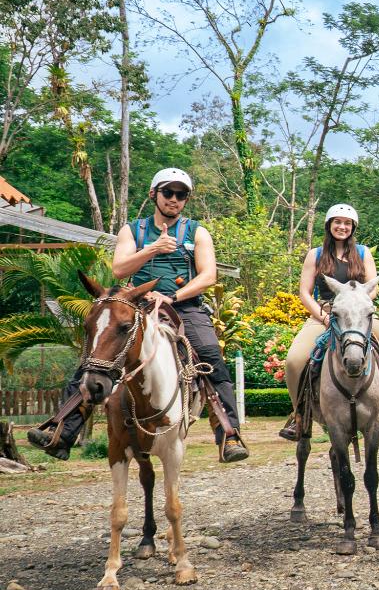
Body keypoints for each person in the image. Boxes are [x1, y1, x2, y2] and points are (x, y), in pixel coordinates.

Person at [29, 168, 249, 462]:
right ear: (153, 195)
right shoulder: (132, 231)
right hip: (135, 306)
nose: (174, 199)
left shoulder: (197, 231)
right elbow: (119, 270)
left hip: (182, 306)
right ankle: (61, 431)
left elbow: (208, 276)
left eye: (181, 195)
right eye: (168, 192)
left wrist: (171, 297)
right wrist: (154, 248)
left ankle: (229, 436)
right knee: (97, 355)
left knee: (211, 357)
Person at [277, 203, 379, 441]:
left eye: (347, 223)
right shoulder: (316, 254)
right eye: (337, 222)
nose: (342, 227)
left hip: (360, 315)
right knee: (294, 360)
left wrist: (357, 304)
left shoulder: (362, 253)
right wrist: (323, 316)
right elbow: (305, 293)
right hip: (325, 315)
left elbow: (372, 287)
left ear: (353, 227)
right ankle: (300, 416)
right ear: (329, 225)